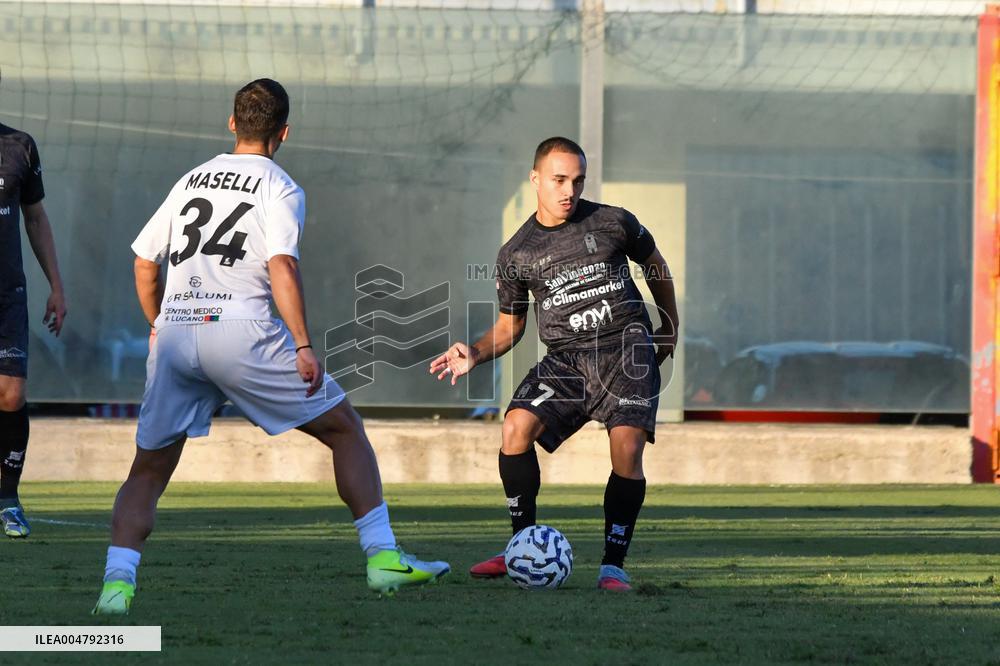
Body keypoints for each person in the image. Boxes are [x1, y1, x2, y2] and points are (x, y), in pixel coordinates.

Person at [92, 79, 448, 615]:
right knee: (345, 429)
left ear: (232, 123)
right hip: (240, 331)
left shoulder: (190, 181)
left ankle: (116, 589)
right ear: (284, 131)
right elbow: (282, 264)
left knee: (146, 472)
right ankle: (382, 558)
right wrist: (303, 344)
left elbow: (145, 262)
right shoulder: (279, 186)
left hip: (178, 331)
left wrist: (159, 322)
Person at [430, 137, 677, 592]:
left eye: (577, 180)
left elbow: (656, 265)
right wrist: (476, 352)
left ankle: (612, 567)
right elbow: (510, 327)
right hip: (566, 359)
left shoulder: (613, 222)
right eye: (559, 180)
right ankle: (522, 547)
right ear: (536, 179)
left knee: (627, 448)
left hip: (626, 349)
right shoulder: (515, 253)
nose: (569, 190)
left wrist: (670, 324)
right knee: (515, 427)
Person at [0, 108, 67, 538]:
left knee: (11, 394)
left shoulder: (19, 145)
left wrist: (56, 286)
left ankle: (8, 500)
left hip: (8, 294)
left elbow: (36, 218)